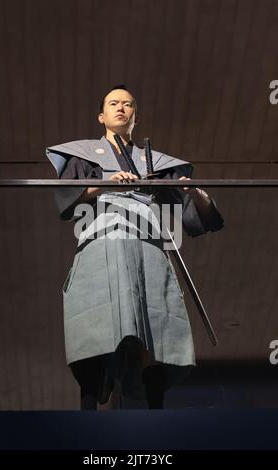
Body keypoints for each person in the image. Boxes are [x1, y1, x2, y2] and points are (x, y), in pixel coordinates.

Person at [46, 85, 224, 409]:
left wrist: (196, 191)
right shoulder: (84, 155)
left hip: (148, 247)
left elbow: (198, 213)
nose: (121, 108)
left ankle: (156, 410)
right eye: (113, 103)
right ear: (101, 116)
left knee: (152, 325)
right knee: (96, 327)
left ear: (135, 117)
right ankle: (86, 411)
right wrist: (105, 183)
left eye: (127, 105)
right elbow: (67, 201)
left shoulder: (155, 162)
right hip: (103, 242)